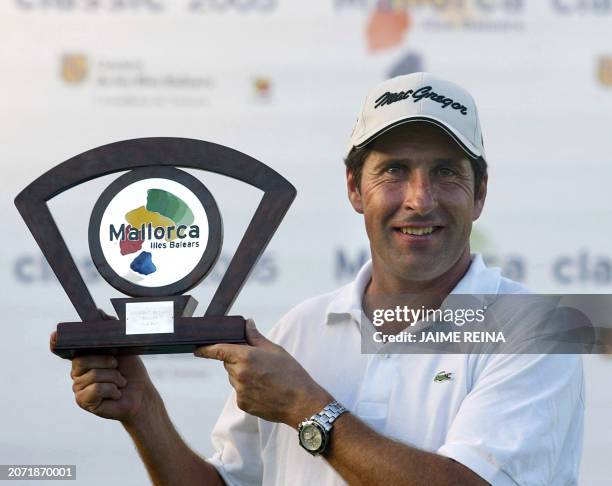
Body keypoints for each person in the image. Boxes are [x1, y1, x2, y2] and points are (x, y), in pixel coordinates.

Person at [56, 73, 584, 485]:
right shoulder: (301, 329)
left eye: (446, 172)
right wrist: (144, 413)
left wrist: (308, 410)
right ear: (355, 188)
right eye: (394, 170)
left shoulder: (538, 331)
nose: (419, 199)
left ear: (481, 192)